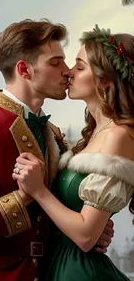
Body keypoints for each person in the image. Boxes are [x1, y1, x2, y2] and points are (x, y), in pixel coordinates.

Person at [0, 20, 112, 281]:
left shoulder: (52, 132)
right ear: (24, 70)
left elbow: (52, 215)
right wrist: (26, 196)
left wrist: (91, 227)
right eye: (55, 63)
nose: (67, 71)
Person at [13, 24, 134, 281]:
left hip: (80, 272)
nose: (69, 73)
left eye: (79, 67)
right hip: (59, 265)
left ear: (104, 80)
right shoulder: (93, 135)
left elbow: (86, 236)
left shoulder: (118, 135)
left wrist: (38, 191)